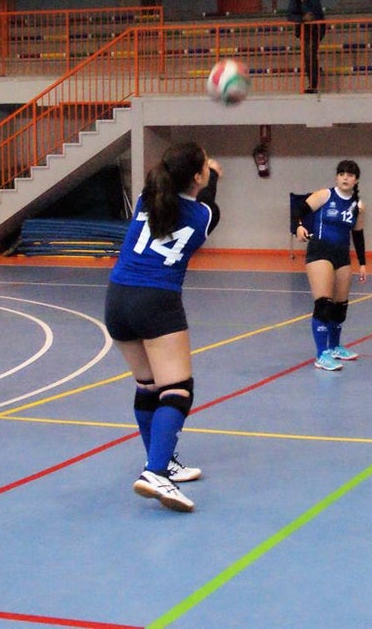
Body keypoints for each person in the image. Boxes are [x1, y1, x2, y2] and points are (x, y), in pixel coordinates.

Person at [105, 142, 221, 512]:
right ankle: (156, 471)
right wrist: (213, 175)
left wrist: (205, 171)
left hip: (117, 298)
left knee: (148, 385)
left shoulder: (146, 198)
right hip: (156, 301)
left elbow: (186, 188)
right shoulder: (203, 215)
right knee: (178, 389)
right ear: (198, 177)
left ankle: (163, 460)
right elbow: (207, 202)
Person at [292, 159, 367, 371]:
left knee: (340, 306)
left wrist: (363, 263)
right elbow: (298, 210)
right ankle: (321, 354)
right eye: (342, 173)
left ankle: (334, 347)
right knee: (324, 303)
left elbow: (358, 234)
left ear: (356, 180)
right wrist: (298, 227)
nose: (345, 177)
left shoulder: (358, 206)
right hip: (320, 251)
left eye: (350, 174)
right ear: (337, 177)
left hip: (342, 255)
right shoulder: (325, 195)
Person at [286, 0, 325, 94]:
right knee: (308, 55)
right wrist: (302, 19)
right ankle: (312, 81)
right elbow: (290, 15)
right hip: (304, 29)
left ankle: (313, 83)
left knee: (310, 54)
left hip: (316, 29)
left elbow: (315, 15)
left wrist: (304, 3)